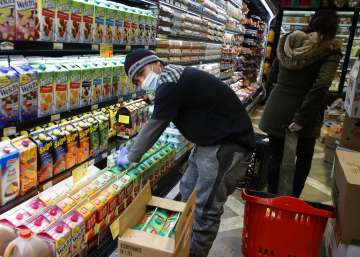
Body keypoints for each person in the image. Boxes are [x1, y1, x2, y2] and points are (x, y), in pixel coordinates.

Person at [116, 49, 255, 257]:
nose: (143, 81)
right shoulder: (173, 77)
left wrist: (131, 155)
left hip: (226, 146)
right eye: (137, 81)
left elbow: (155, 125)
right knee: (188, 189)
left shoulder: (169, 83)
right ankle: (181, 245)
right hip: (208, 142)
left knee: (205, 210)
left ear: (155, 63)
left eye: (143, 73)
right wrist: (130, 148)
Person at [259, 9, 342, 197]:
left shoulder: (288, 41)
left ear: (312, 21)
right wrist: (301, 118)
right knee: (303, 158)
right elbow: (321, 86)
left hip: (277, 107)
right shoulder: (329, 49)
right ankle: (292, 200)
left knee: (276, 156)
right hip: (305, 112)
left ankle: (273, 198)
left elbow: (272, 77)